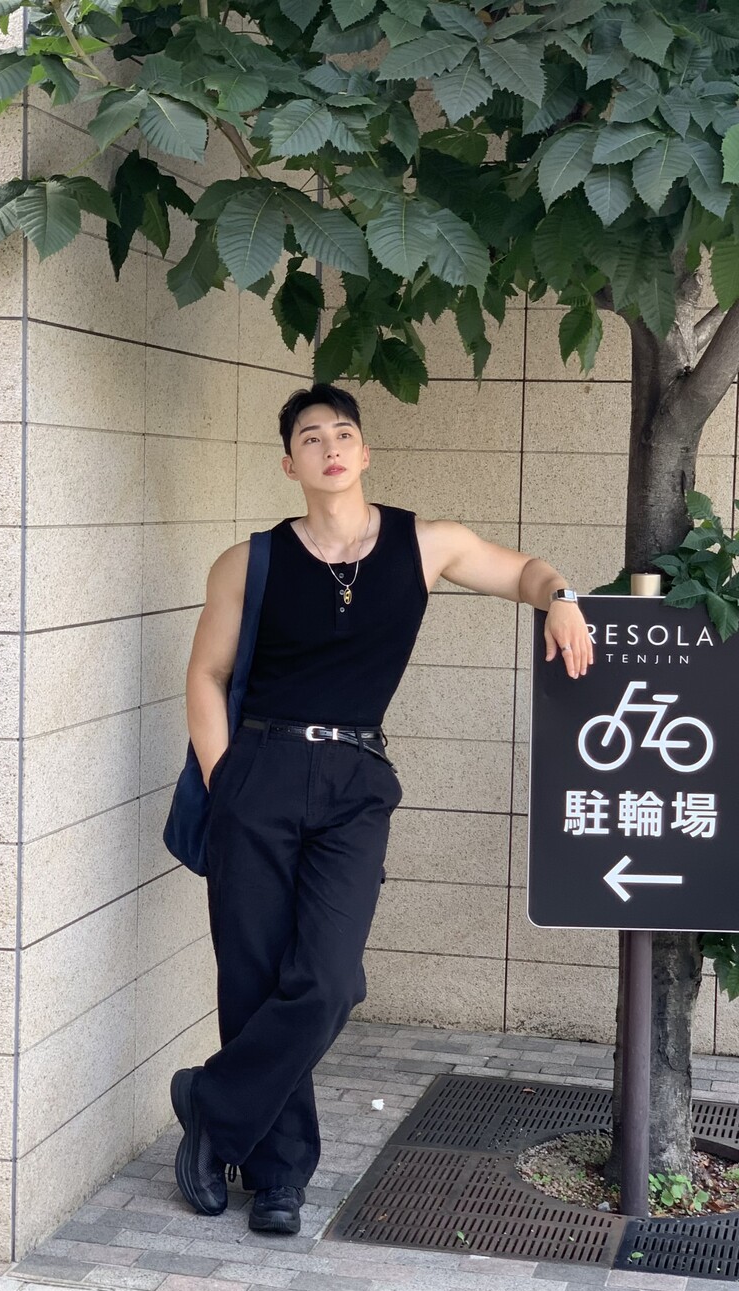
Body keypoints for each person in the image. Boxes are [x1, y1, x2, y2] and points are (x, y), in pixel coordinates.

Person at [169, 382, 593, 1235]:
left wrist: (563, 599)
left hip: (356, 777)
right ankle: (278, 1176)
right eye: (311, 437)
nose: (330, 447)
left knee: (328, 980)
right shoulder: (249, 561)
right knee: (253, 975)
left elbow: (522, 572)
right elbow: (206, 675)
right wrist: (225, 779)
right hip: (259, 769)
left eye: (343, 434)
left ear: (364, 453)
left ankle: (211, 1106)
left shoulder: (424, 544)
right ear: (288, 464)